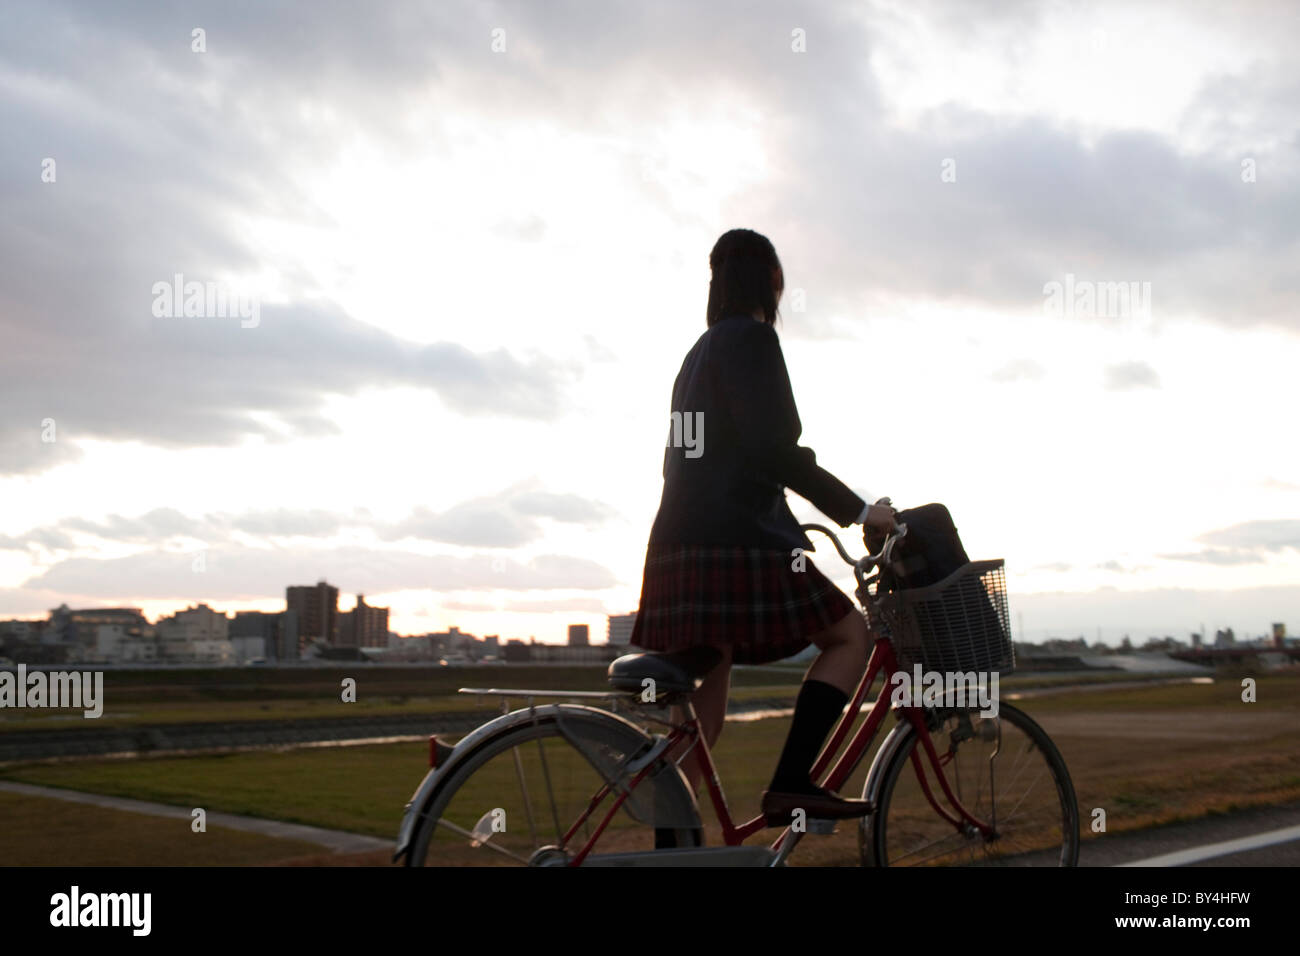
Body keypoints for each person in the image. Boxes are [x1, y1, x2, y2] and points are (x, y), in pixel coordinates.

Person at [629, 227, 898, 835]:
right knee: (850, 636)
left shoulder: (696, 354)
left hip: (677, 545)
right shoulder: (753, 340)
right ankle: (789, 786)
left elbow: (686, 456)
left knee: (703, 719)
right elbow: (776, 451)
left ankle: (667, 854)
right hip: (733, 541)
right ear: (773, 282)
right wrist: (860, 512)